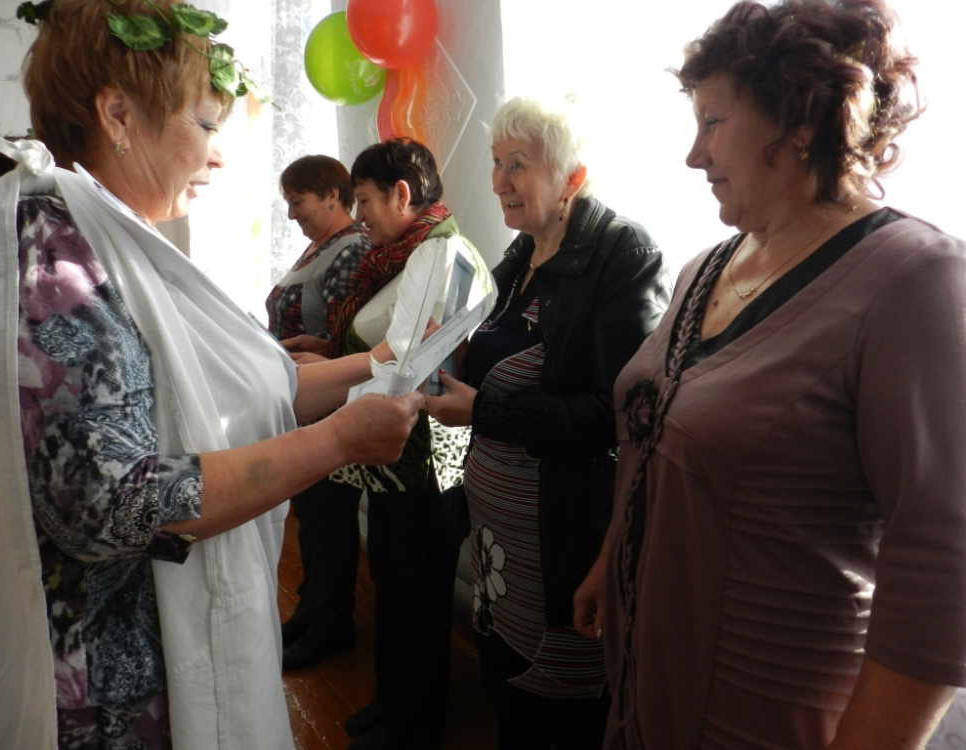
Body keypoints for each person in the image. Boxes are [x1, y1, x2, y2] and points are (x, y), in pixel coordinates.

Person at [0, 2, 423, 748]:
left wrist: (385, 363)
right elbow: (112, 503)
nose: (217, 156)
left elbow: (251, 385)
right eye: (206, 125)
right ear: (118, 114)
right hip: (105, 694)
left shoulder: (106, 241)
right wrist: (339, 442)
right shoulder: (53, 261)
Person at [572, 1, 966, 748]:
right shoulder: (705, 268)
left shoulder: (914, 280)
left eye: (713, 121)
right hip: (645, 691)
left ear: (801, 122)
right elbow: (660, 435)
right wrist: (614, 554)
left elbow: (943, 568)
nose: (694, 155)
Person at [424, 96, 669, 749]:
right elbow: (492, 355)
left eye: (518, 164)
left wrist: (482, 410)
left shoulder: (622, 251)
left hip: (563, 544)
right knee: (507, 693)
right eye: (495, 162)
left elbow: (617, 417)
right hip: (499, 546)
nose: (498, 180)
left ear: (572, 178)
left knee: (556, 716)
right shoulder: (520, 255)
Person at [334, 138, 494, 750]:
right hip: (399, 448)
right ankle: (391, 704)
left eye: (364, 200)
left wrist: (340, 384)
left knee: (416, 593)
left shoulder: (439, 253)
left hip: (423, 452)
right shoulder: (411, 254)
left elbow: (409, 359)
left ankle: (412, 723)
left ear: (402, 194)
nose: (359, 215)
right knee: (394, 583)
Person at [267, 155, 372, 670]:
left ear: (334, 195)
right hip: (306, 401)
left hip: (327, 403)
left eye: (297, 201)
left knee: (328, 520)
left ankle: (330, 624)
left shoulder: (351, 248)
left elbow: (348, 335)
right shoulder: (323, 246)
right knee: (311, 517)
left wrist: (316, 349)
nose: (291, 214)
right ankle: (312, 611)